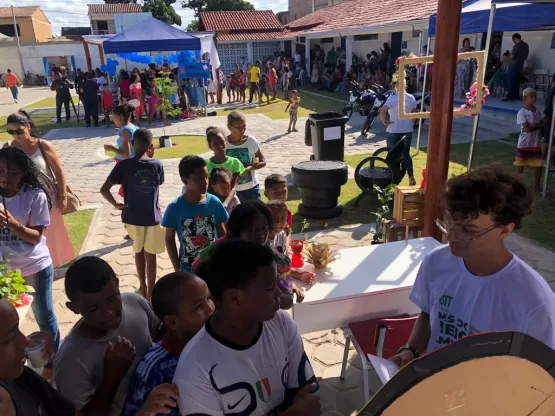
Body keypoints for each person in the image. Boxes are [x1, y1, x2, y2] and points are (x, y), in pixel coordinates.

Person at [390, 164, 555, 369]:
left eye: (468, 230)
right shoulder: (435, 263)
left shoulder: (534, 302)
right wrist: (411, 350)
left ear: (505, 230)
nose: (451, 236)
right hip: (433, 385)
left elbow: (541, 375)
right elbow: (427, 315)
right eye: (450, 223)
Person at [173, 239, 321, 415]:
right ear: (234, 299)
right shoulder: (194, 369)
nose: (279, 295)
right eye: (270, 288)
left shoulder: (281, 323)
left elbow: (307, 396)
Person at [53, 256, 160, 416]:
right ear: (73, 308)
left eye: (112, 299)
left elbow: (158, 333)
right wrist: (112, 377)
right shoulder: (70, 360)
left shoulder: (135, 302)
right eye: (94, 308)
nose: (107, 313)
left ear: (117, 284)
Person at [0, 147, 60, 370]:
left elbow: (35, 237)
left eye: (13, 172)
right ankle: (13, 361)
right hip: (5, 273)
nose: (6, 177)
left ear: (24, 172)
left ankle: (53, 364)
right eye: (1, 171)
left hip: (34, 267)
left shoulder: (35, 195)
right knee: (7, 321)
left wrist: (12, 223)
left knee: (44, 317)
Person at [121, 272, 214, 416]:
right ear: (172, 322)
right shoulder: (153, 369)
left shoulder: (221, 339)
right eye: (198, 307)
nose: (210, 309)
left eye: (208, 298)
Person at [5, 111, 75, 268]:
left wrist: (62, 195)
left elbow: (58, 172)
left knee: (52, 232)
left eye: (19, 131)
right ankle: (33, 265)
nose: (15, 135)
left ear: (28, 127)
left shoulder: (42, 145)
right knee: (28, 231)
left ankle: (54, 265)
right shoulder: (8, 148)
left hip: (48, 196)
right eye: (11, 131)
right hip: (21, 198)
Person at [101, 129, 165, 300]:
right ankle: (151, 291)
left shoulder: (123, 166)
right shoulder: (157, 164)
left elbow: (104, 189)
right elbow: (159, 183)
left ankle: (142, 288)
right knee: (151, 255)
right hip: (153, 217)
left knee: (138, 252)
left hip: (132, 218)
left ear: (131, 144)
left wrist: (116, 204)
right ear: (151, 146)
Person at [162, 155, 229, 272]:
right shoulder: (174, 208)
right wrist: (177, 269)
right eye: (198, 179)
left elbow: (222, 232)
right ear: (184, 180)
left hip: (213, 266)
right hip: (188, 269)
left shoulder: (214, 202)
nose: (204, 182)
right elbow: (169, 239)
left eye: (206, 177)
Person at [379, 76, 418, 186]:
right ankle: (410, 176)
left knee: (392, 156)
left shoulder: (393, 97)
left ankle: (394, 180)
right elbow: (414, 112)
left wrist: (384, 122)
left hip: (394, 130)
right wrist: (412, 123)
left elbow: (382, 111)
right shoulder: (411, 97)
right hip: (407, 129)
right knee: (406, 154)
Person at [226, 111, 266, 202]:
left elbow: (262, 161)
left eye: (244, 126)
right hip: (231, 191)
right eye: (238, 127)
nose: (242, 130)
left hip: (251, 189)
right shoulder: (224, 143)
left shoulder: (251, 141)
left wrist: (249, 168)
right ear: (229, 127)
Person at [103, 103, 139, 198]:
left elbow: (127, 154)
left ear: (121, 117)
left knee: (128, 194)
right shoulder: (133, 127)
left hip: (126, 165)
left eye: (114, 118)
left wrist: (112, 149)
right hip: (133, 164)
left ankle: (129, 211)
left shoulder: (125, 131)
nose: (113, 120)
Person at [515, 88, 544, 193]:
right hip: (524, 143)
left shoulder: (538, 110)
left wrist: (535, 125)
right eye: (531, 97)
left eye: (535, 96)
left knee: (538, 165)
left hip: (536, 143)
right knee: (520, 166)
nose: (534, 99)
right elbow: (526, 129)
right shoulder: (521, 113)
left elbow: (544, 122)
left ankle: (537, 187)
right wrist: (537, 125)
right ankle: (518, 188)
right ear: (525, 98)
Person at [504, 33, 529, 102]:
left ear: (515, 39)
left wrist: (508, 56)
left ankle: (510, 96)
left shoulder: (516, 46)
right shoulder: (526, 45)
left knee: (510, 82)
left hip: (513, 67)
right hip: (520, 66)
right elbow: (525, 56)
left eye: (513, 40)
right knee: (516, 83)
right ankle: (516, 96)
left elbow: (512, 57)